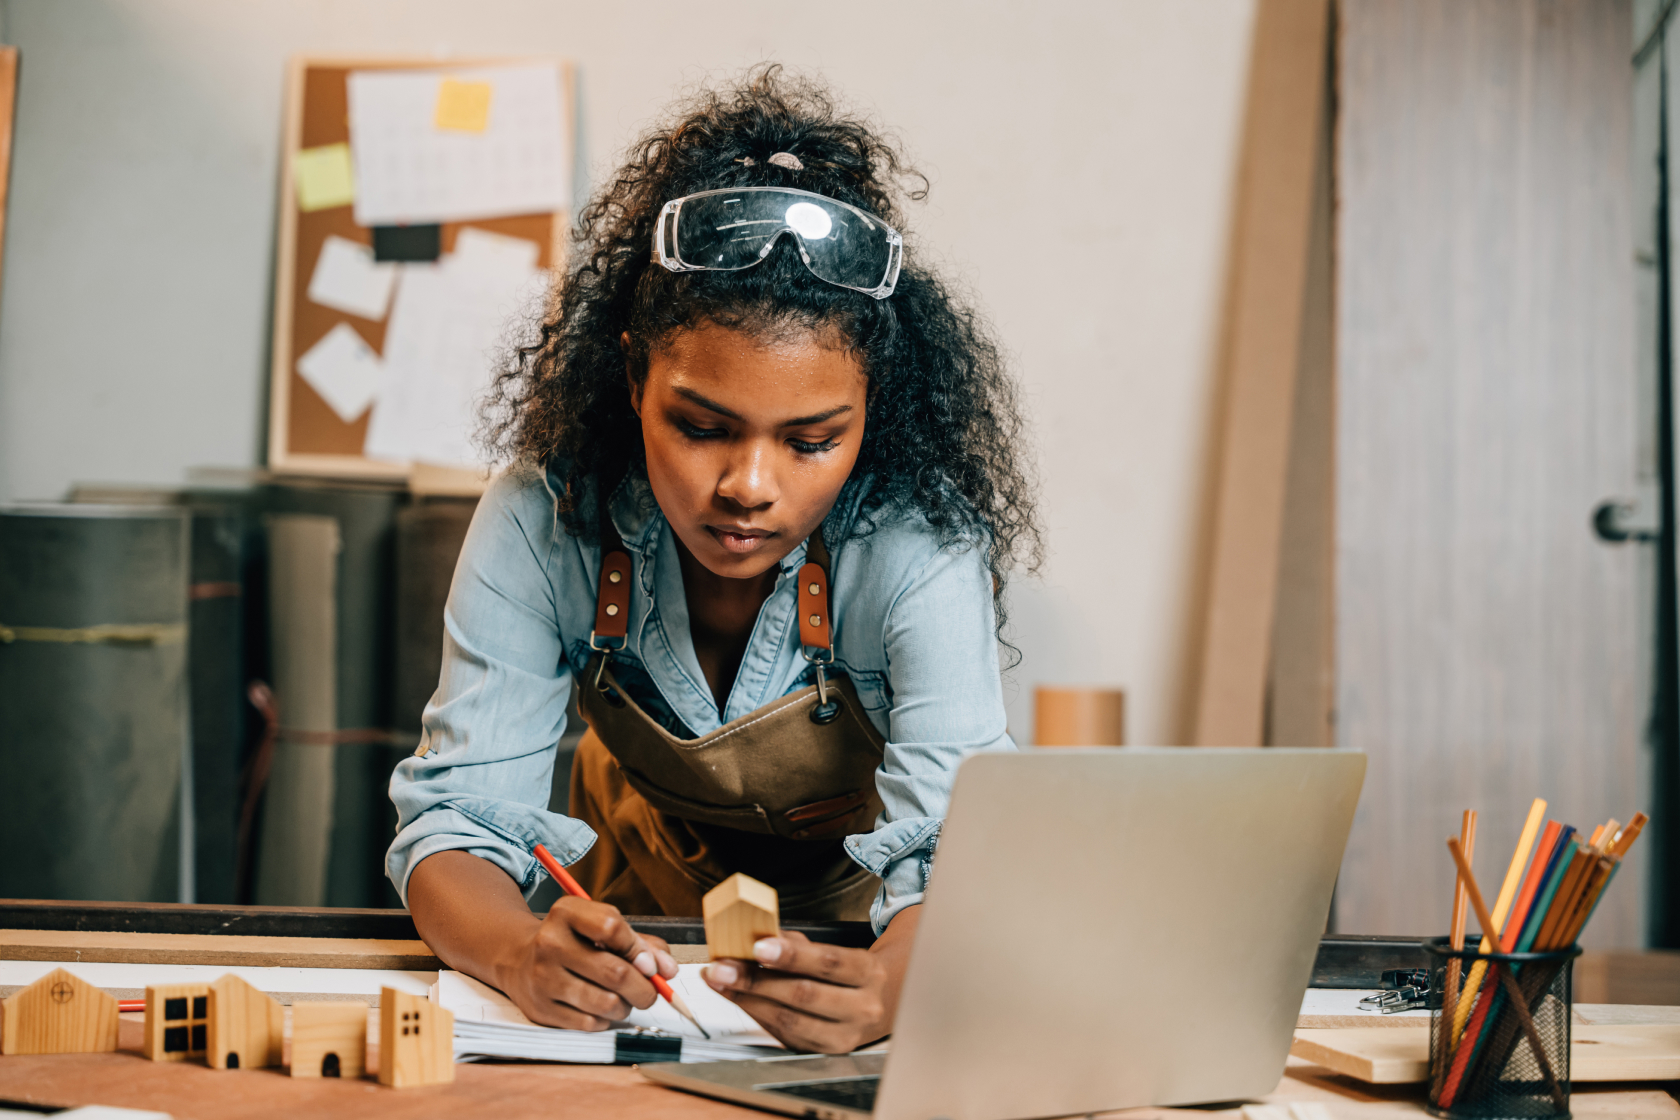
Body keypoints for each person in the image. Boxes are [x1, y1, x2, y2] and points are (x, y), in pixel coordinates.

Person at [388, 67, 1039, 1055]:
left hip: (877, 939)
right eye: (701, 426)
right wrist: (523, 952)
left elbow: (961, 853)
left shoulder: (917, 544)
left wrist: (890, 995)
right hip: (642, 930)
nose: (749, 484)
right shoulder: (546, 516)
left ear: (874, 412)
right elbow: (454, 827)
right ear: (632, 376)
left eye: (812, 440)